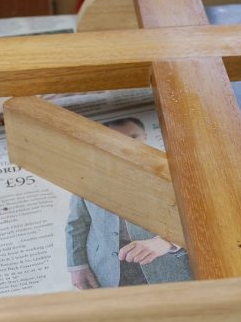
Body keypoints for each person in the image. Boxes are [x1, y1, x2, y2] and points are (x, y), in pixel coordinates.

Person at [65, 117, 192, 289]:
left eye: (133, 137)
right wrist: (77, 267)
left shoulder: (175, 170)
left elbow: (198, 220)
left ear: (145, 136)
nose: (127, 144)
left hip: (164, 262)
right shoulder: (87, 175)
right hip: (105, 268)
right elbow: (77, 223)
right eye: (117, 138)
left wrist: (167, 242)